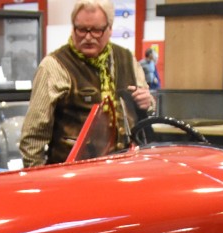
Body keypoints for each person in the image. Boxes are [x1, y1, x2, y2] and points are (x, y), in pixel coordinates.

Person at [19, 0, 154, 168]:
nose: (88, 37)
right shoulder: (53, 66)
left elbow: (148, 105)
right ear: (73, 28)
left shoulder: (127, 58)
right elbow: (33, 136)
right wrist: (38, 179)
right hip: (72, 174)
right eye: (81, 29)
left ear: (110, 29)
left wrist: (147, 102)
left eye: (96, 30)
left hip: (124, 170)